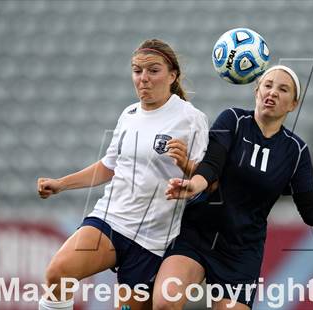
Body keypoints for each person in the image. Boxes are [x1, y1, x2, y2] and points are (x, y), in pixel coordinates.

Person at [154, 65, 313, 310]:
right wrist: (194, 185)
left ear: (293, 104)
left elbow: (311, 211)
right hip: (198, 235)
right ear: (256, 91)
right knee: (163, 303)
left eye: (283, 89)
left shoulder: (295, 151)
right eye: (268, 85)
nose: (273, 92)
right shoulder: (233, 120)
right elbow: (211, 166)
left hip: (241, 253)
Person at [36, 39, 208, 310]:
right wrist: (61, 184)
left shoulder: (190, 118)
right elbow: (109, 165)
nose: (144, 79)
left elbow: (206, 178)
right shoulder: (128, 114)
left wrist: (186, 166)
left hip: (151, 239)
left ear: (172, 75)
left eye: (153, 70)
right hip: (110, 219)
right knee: (58, 274)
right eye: (137, 71)